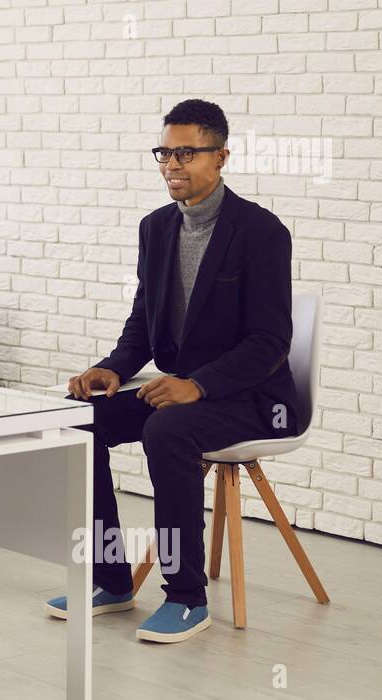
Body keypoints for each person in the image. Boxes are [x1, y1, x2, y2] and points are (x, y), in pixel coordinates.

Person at [47, 99, 299, 643]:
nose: (172, 164)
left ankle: (186, 597)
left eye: (187, 152)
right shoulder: (156, 228)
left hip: (252, 399)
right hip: (179, 390)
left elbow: (271, 342)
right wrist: (110, 368)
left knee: (169, 430)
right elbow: (143, 319)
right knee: (77, 419)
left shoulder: (261, 232)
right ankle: (110, 580)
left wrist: (199, 385)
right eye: (165, 152)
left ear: (221, 157)